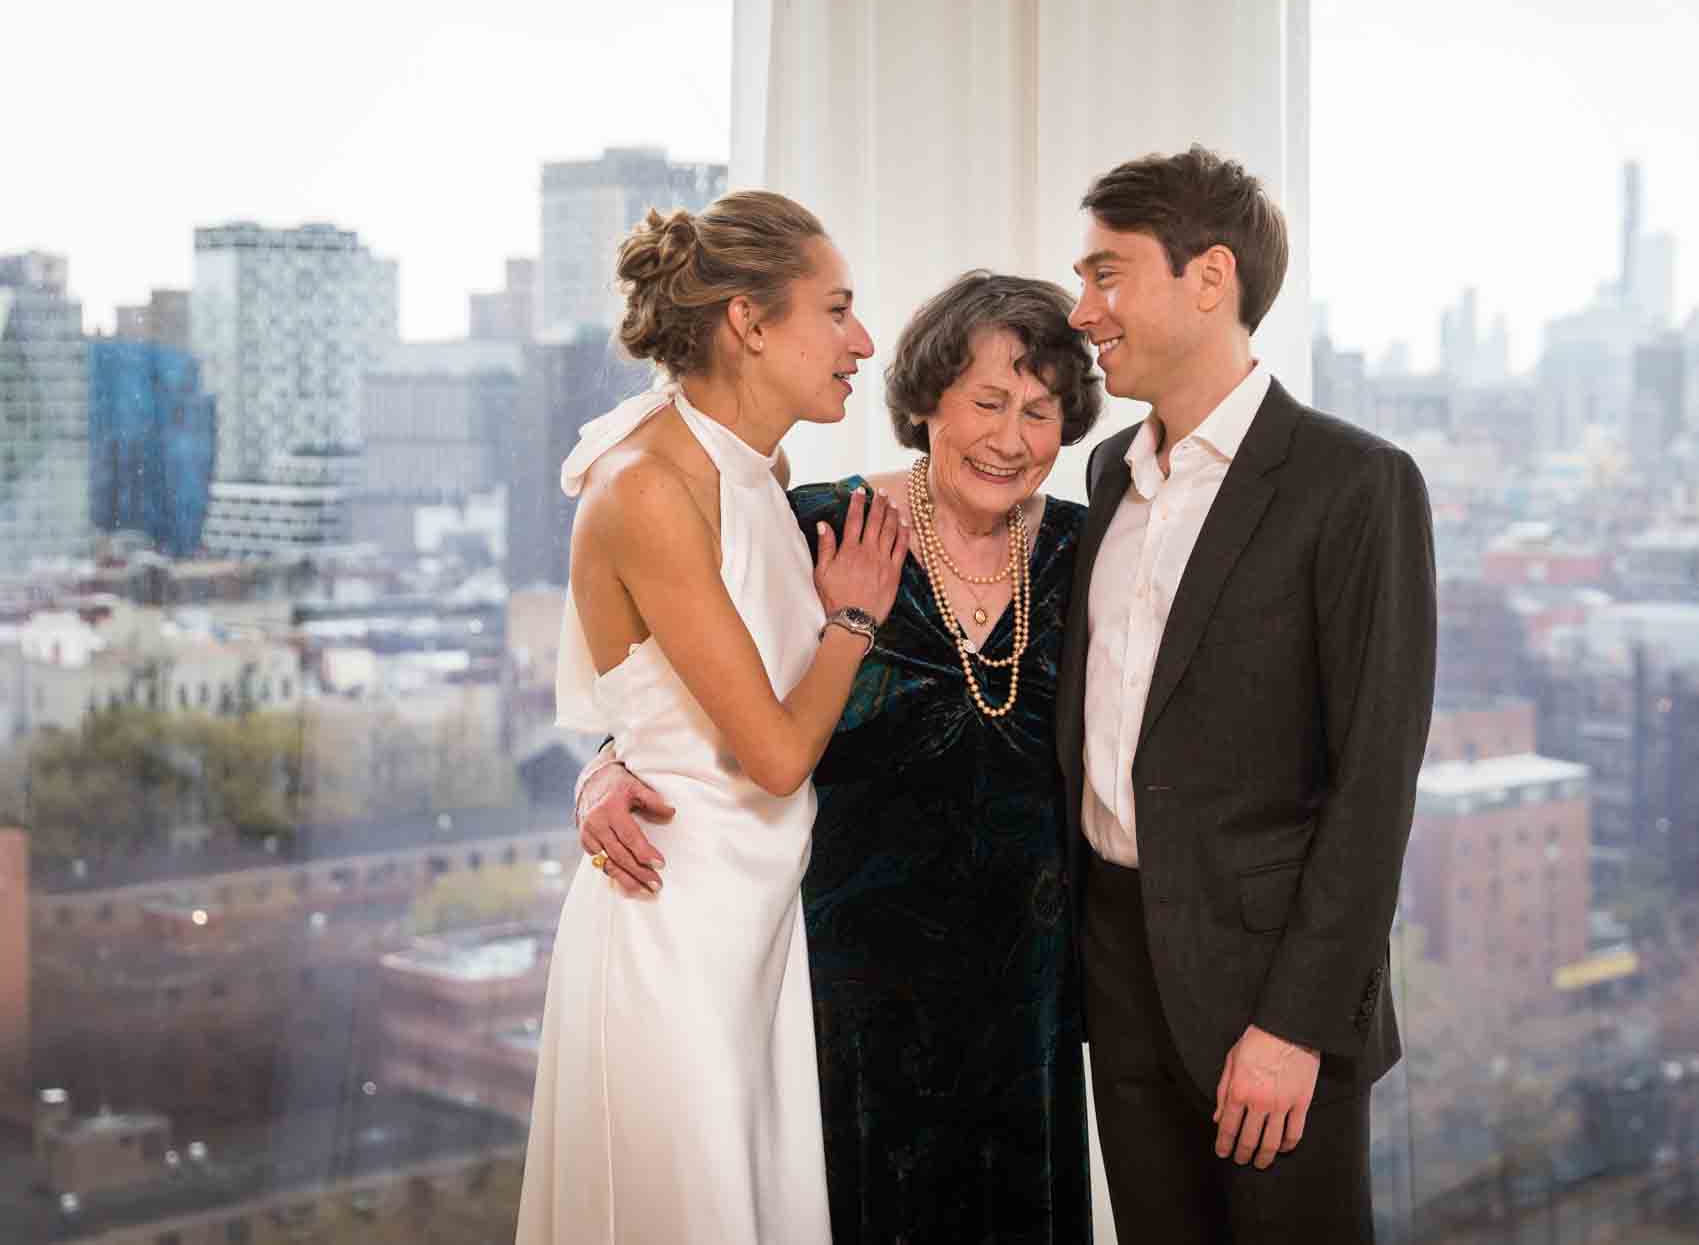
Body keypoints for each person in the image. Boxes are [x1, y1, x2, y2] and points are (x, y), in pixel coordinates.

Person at [577, 271, 1104, 1243]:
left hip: (1025, 999)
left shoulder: (1087, 550)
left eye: (1039, 410)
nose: (1010, 436)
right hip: (844, 996)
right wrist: (605, 761)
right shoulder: (818, 524)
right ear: (927, 400)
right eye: (986, 400)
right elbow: (698, 686)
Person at [1059, 146, 1436, 1243]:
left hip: (1268, 1001)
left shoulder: (1354, 484)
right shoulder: (1104, 473)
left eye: (1105, 275)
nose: (1082, 311)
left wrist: (1294, 1025)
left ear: (1208, 277)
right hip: (1117, 979)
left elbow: (1373, 786)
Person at [516, 190, 908, 1245]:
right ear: (747, 320)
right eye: (835, 310)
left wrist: (608, 757)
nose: (860, 341)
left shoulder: (756, 468)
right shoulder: (646, 485)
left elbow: (667, 696)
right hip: (671, 931)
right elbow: (774, 753)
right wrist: (854, 618)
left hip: (753, 929)